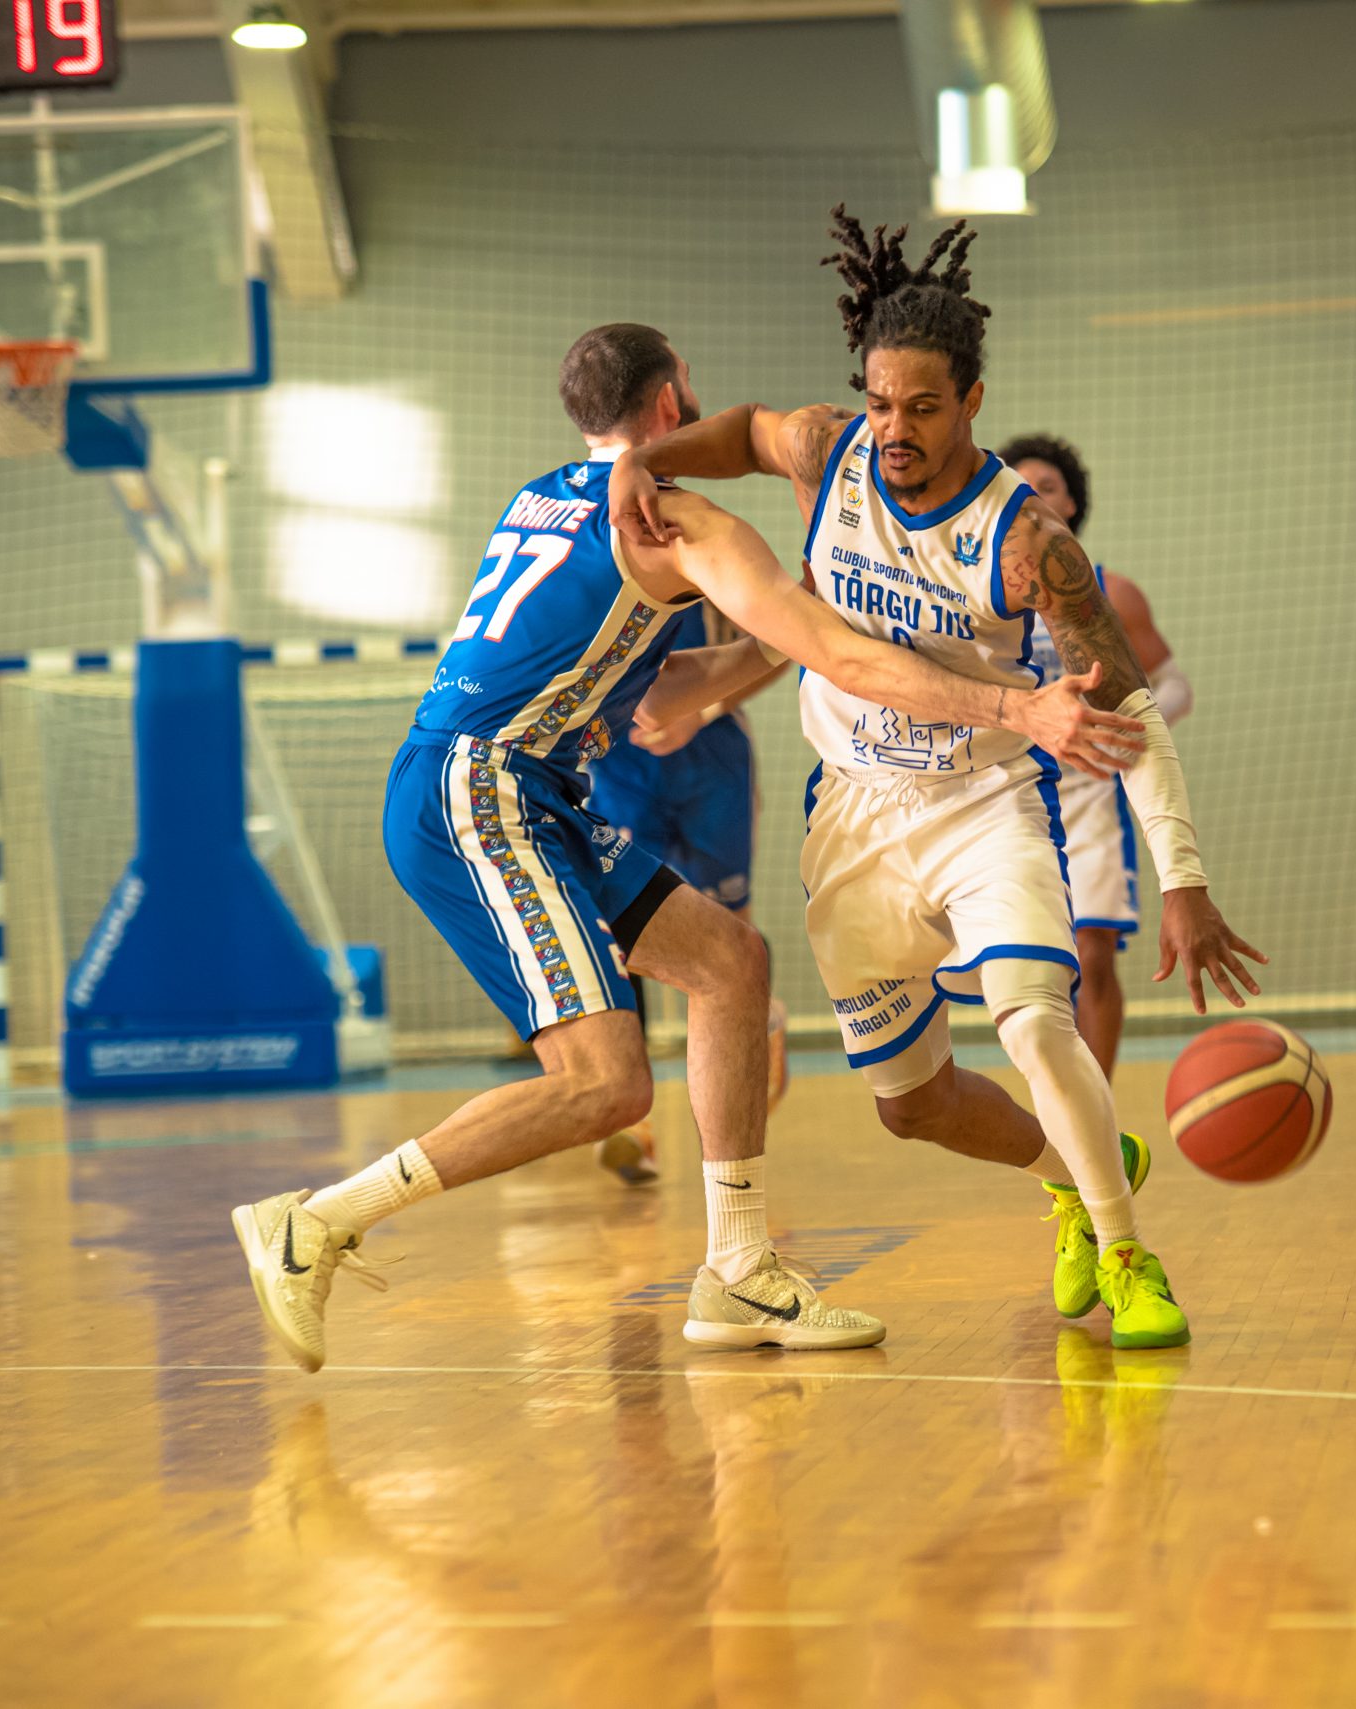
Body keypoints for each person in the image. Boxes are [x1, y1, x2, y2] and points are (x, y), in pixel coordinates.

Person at [232, 322, 1144, 1370]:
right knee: (606, 1086)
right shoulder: (681, 523)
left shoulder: (540, 498)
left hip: (522, 783)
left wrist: (732, 658)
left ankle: (741, 1269)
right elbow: (842, 656)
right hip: (482, 791)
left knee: (730, 963)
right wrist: (1014, 705)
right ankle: (317, 1223)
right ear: (670, 403)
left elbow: (635, 682)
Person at [614, 210, 1264, 1350]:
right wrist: (643, 460)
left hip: (984, 802)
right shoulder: (830, 451)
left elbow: (1130, 706)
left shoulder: (1027, 543)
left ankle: (1127, 1255)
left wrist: (1186, 879)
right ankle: (1079, 1172)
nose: (895, 429)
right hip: (853, 811)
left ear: (971, 399)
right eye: (880, 402)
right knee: (911, 1106)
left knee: (1034, 1021)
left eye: (922, 407)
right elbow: (748, 429)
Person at [998, 434, 1194, 1077]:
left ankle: (1099, 1107)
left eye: (1046, 487)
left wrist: (1119, 730)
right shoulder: (982, 594)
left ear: (1071, 504)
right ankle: (1057, 1103)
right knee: (1033, 971)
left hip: (1089, 795)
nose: (1032, 498)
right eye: (1019, 486)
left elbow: (1174, 686)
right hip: (1010, 794)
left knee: (1094, 954)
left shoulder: (1112, 591)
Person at [584, 600, 787, 1187]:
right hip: (619, 765)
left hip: (711, 759)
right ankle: (632, 1121)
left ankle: (762, 1024)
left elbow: (784, 643)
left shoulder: (715, 564)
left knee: (729, 933)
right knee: (618, 934)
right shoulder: (589, 568)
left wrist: (705, 708)